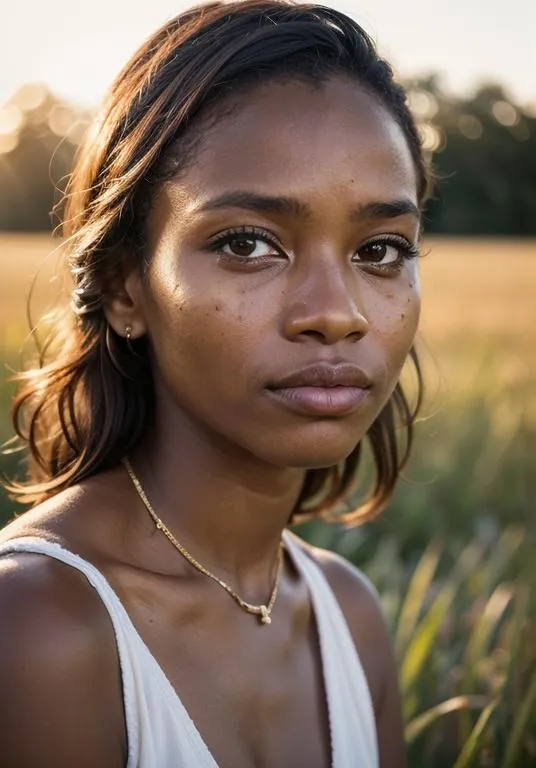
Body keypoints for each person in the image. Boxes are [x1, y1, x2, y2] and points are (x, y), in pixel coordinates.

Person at [0, 1, 430, 766]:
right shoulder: (36, 626)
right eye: (247, 243)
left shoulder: (348, 615)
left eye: (382, 250)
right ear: (126, 284)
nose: (337, 314)